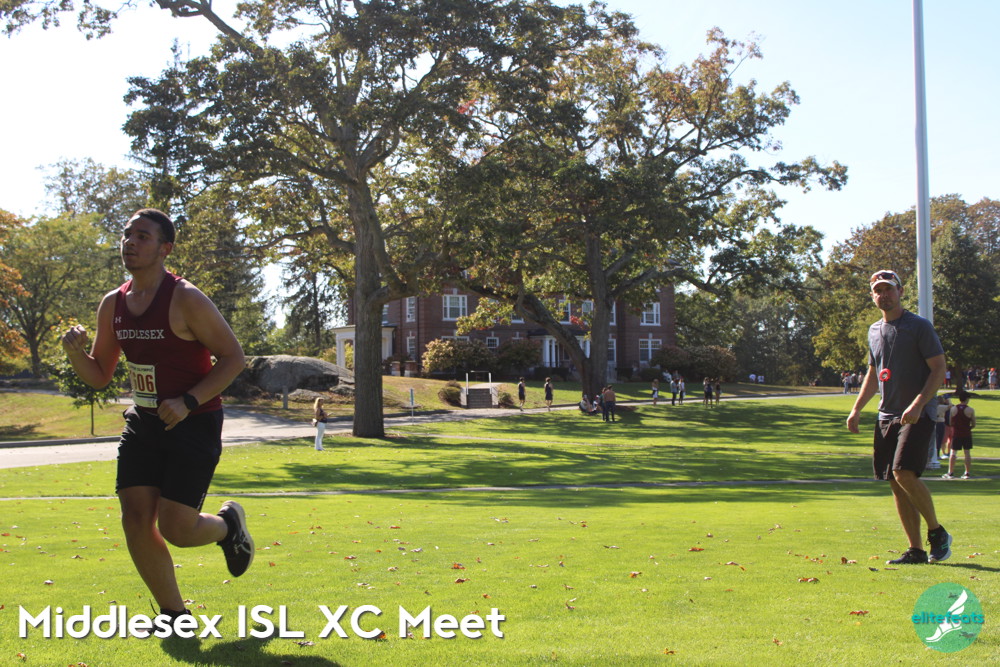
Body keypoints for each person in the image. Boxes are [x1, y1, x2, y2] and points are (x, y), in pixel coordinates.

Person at [60, 208, 253, 623]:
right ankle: (174, 614)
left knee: (177, 530)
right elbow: (99, 375)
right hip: (144, 423)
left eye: (142, 236)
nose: (130, 242)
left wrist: (188, 401)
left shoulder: (185, 298)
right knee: (135, 519)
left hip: (194, 423)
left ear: (165, 248)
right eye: (127, 235)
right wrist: (76, 354)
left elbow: (233, 358)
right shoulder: (113, 303)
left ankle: (228, 526)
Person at [846, 269, 951, 565]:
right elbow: (873, 372)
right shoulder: (874, 331)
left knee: (904, 473)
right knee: (894, 481)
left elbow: (939, 368)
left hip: (917, 413)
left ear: (901, 292)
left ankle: (937, 532)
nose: (884, 295)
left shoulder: (919, 326)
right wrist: (857, 409)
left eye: (889, 289)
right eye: (878, 290)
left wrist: (918, 403)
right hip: (886, 414)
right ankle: (915, 550)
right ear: (872, 296)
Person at [943, 389, 975, 479]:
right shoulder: (970, 410)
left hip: (956, 433)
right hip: (966, 433)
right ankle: (967, 473)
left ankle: (950, 472)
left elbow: (950, 422)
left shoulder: (953, 409)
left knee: (953, 453)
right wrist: (968, 428)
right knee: (967, 453)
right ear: (967, 399)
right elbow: (974, 424)